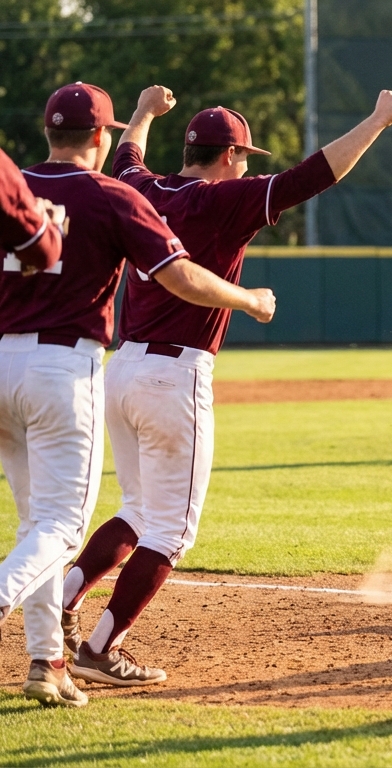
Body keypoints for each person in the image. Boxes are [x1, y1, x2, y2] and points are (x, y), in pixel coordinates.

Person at [58, 85, 392, 688]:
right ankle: (101, 647)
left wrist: (142, 112)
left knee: (138, 511)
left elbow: (127, 156)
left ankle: (59, 602)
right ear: (228, 156)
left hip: (123, 369)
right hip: (176, 374)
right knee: (172, 529)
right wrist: (378, 119)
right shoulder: (228, 200)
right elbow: (314, 175)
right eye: (244, 155)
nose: (247, 165)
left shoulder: (145, 188)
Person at [0, 82, 279, 707]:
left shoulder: (12, 182)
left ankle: (48, 662)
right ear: (97, 136)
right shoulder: (110, 195)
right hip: (62, 369)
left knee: (41, 524)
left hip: (5, 361)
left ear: (49, 131)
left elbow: (132, 155)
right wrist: (248, 300)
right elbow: (177, 273)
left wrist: (147, 115)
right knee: (66, 527)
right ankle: (67, 634)